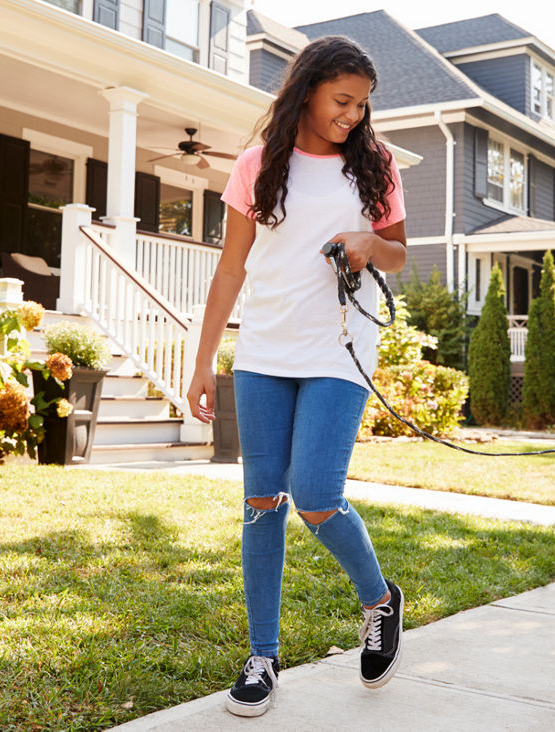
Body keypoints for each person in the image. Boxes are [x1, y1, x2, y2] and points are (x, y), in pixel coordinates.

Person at [185, 36, 408, 718]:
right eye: (342, 100)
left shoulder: (375, 165)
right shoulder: (259, 165)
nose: (352, 115)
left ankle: (379, 599)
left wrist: (371, 245)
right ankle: (262, 657)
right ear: (308, 89)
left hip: (339, 349)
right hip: (265, 350)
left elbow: (399, 256)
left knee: (314, 495)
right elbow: (231, 268)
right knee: (260, 503)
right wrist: (203, 361)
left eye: (361, 104)